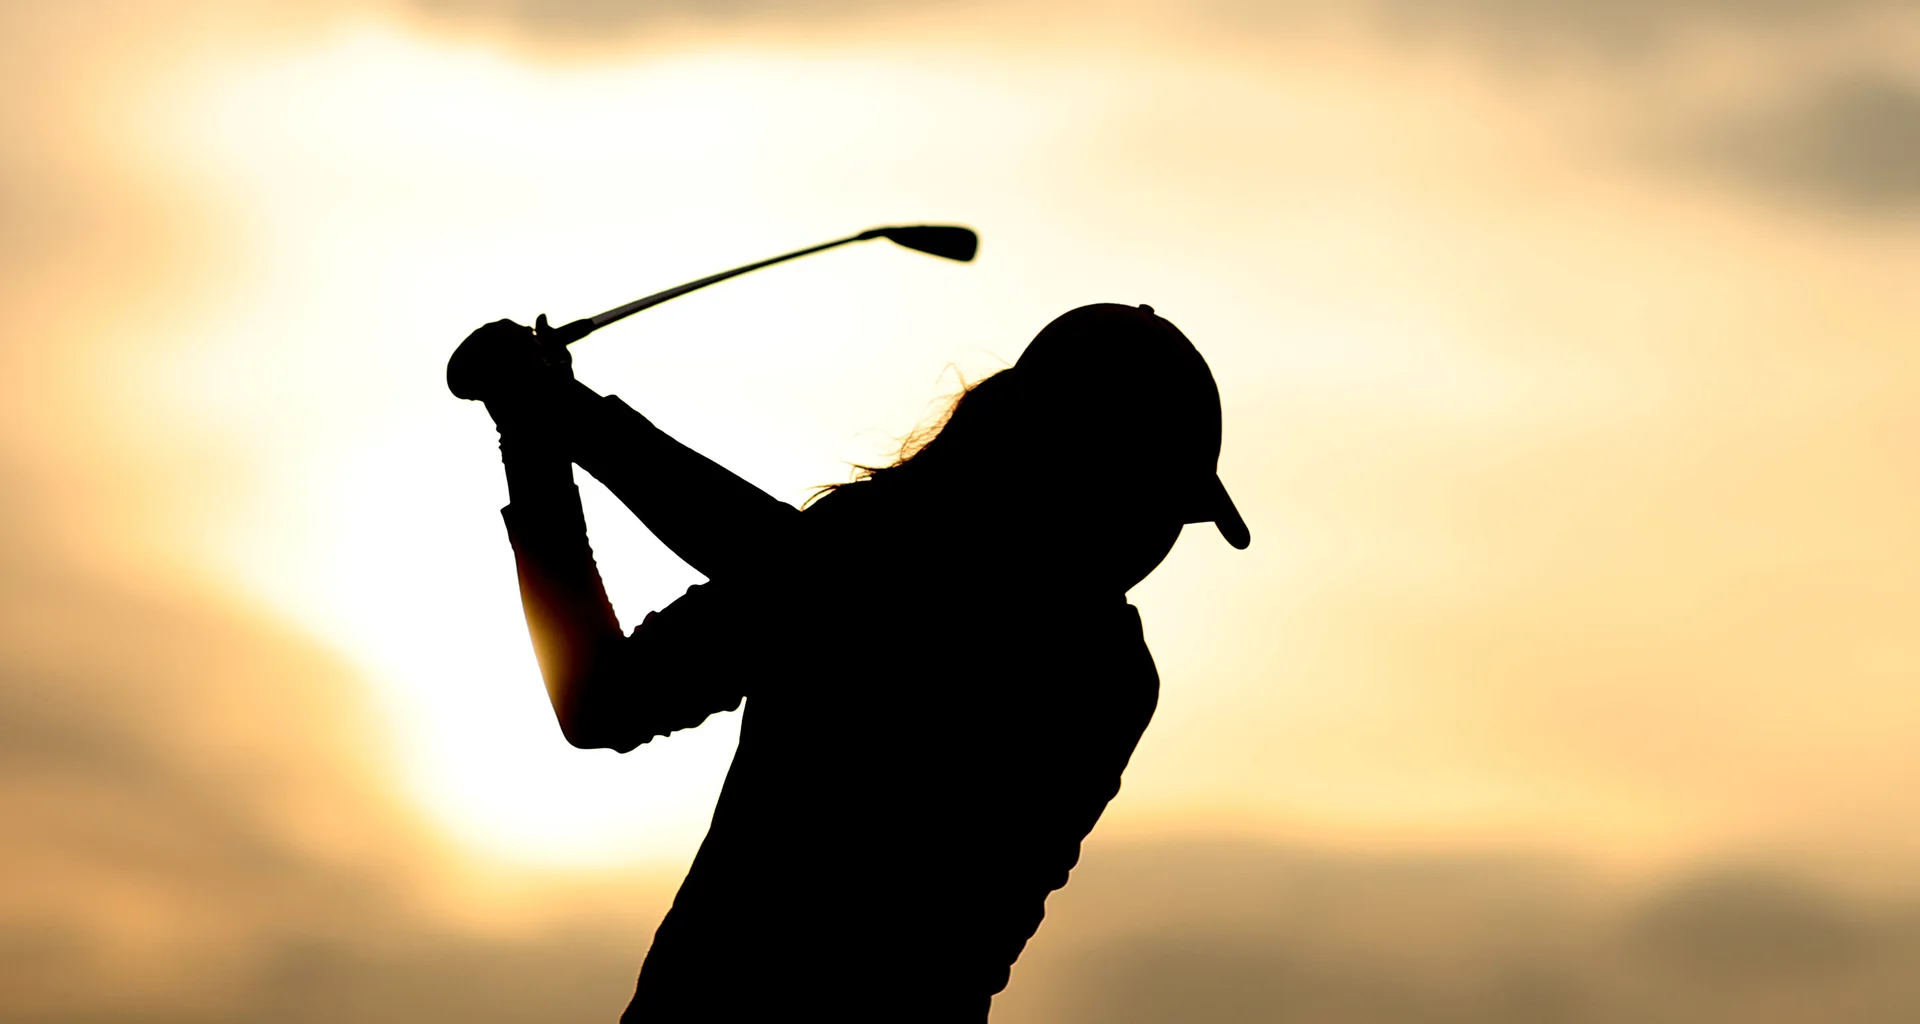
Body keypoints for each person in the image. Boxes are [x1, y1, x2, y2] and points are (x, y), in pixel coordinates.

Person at [447, 303, 1248, 1022]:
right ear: (1076, 464)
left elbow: (807, 576)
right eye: (1153, 500)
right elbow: (605, 702)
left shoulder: (1097, 673)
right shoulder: (881, 557)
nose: (1156, 539)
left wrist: (556, 416)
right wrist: (535, 441)